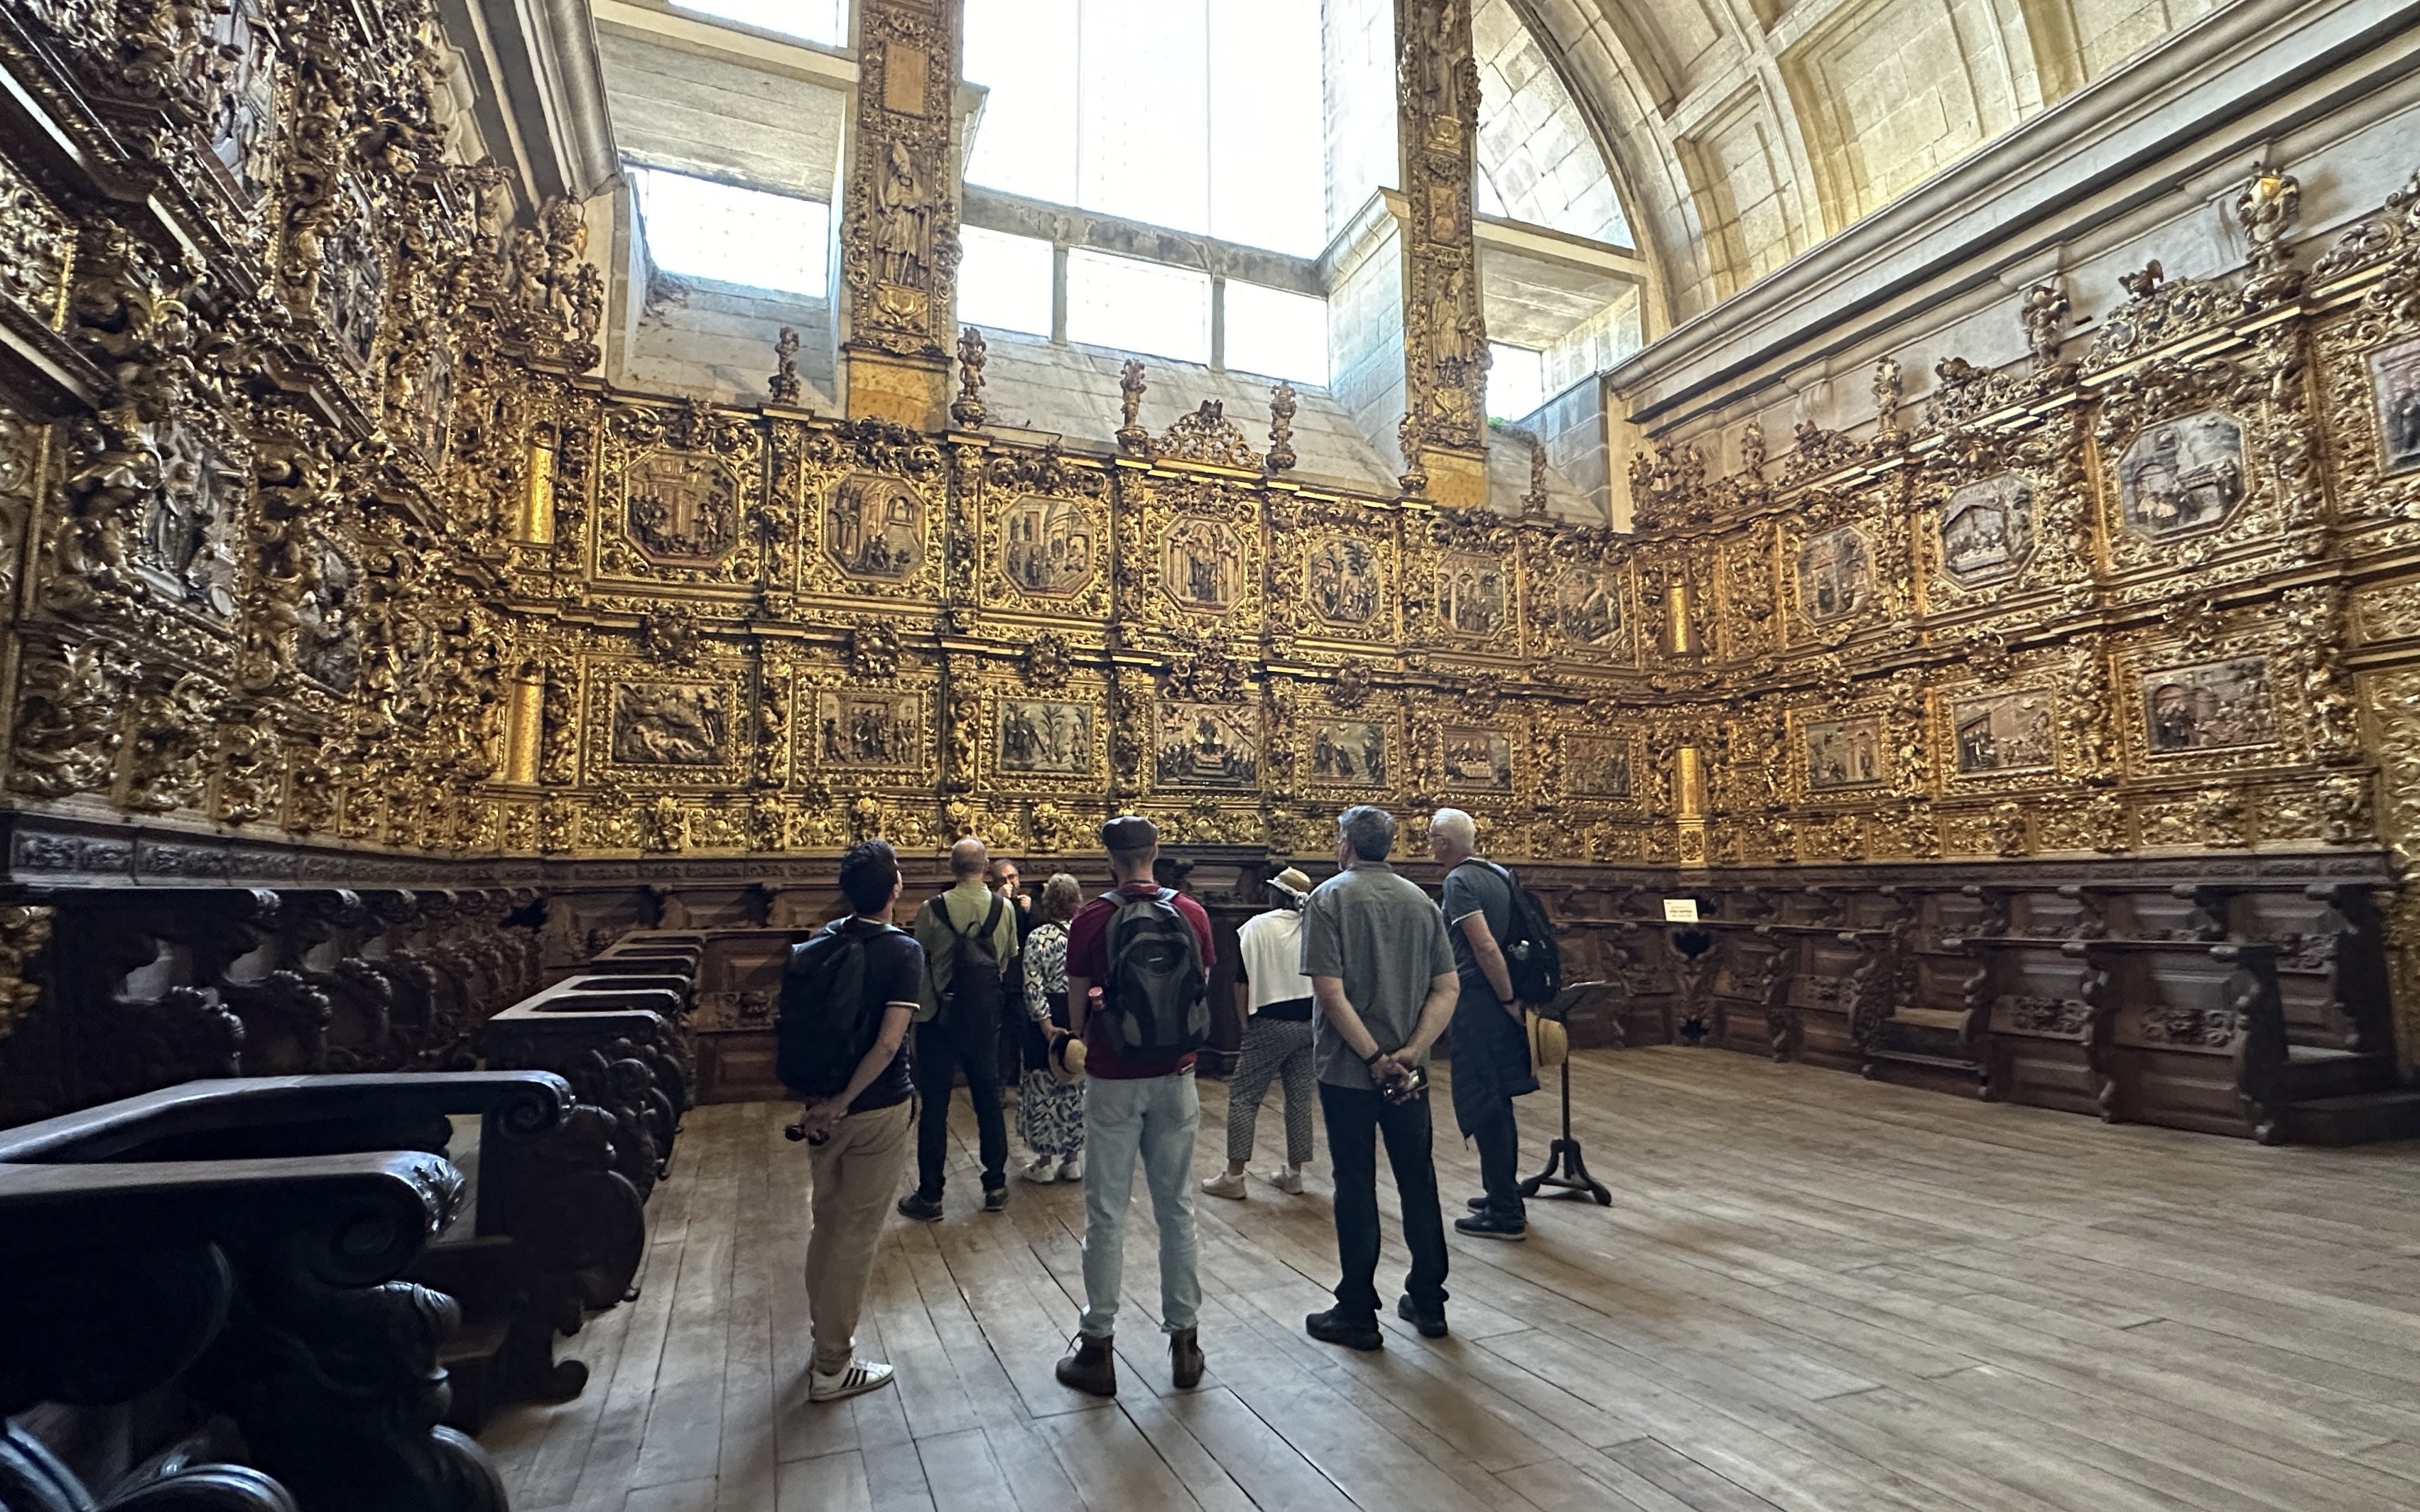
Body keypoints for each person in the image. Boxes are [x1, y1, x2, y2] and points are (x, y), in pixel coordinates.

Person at [1055, 816, 1211, 1398]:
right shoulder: (1191, 913)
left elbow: (1076, 1010)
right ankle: (1186, 1343)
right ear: (1157, 852)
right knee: (1177, 1207)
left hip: (1114, 1077)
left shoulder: (1093, 917)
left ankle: (1097, 1345)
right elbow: (1199, 991)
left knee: (1107, 1212)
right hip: (1177, 1074)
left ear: (1109, 858)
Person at [1299, 805, 1460, 1349]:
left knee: (1355, 1182)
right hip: (1409, 1074)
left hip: (1348, 1071)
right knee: (1418, 1177)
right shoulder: (1421, 902)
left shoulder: (1329, 897)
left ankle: (1356, 1309)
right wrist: (1410, 1051)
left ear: (1345, 842)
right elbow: (1446, 988)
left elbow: (1329, 989)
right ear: (1389, 845)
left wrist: (1371, 1056)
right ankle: (1429, 1299)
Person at [779, 839, 921, 1403]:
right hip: (875, 1107)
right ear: (894, 889)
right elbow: (889, 1044)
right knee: (856, 1237)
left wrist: (822, 1102)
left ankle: (823, 1338)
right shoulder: (902, 952)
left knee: (828, 1224)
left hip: (820, 1109)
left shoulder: (819, 941)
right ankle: (833, 1365)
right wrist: (844, 1101)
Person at [1428, 808, 1541, 1241]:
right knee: (1498, 1100)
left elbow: (1486, 948)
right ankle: (1501, 1192)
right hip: (1499, 1000)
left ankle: (1505, 1212)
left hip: (1481, 1002)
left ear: (1443, 841)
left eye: (1431, 837)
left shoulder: (1459, 882)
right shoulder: (1497, 873)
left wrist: (1506, 997)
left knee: (1486, 1103)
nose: (1428, 843)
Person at [898, 837, 1019, 1220]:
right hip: (984, 1019)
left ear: (952, 869)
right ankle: (996, 1185)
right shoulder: (1005, 908)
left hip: (938, 1018)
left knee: (935, 1106)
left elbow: (921, 959)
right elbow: (1005, 959)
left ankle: (931, 1195)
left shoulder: (932, 909)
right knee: (988, 1100)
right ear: (985, 868)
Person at [1203, 866, 1317, 1200]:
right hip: (1308, 1021)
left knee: (1244, 1096)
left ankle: (1234, 1176)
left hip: (1268, 1020)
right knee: (1298, 1098)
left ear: (1275, 895)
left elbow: (1242, 982)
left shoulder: (1255, 928)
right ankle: (1294, 1174)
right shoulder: (1311, 926)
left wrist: (1244, 1023)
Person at [1016, 873, 1086, 1183]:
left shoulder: (1037, 938)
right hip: (1078, 1016)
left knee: (1043, 1086)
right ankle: (1072, 1160)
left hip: (1046, 1018)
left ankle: (1044, 1162)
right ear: (1075, 902)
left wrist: (1045, 1024)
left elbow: (1033, 985)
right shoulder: (1085, 935)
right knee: (1075, 1083)